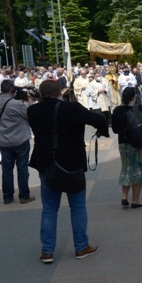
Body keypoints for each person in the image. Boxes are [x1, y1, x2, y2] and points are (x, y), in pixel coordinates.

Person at [27, 80, 109, 264]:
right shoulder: (71, 108)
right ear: (60, 92)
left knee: (49, 209)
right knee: (77, 206)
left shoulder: (32, 110)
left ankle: (47, 251)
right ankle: (81, 246)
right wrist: (102, 132)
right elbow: (99, 119)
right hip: (71, 163)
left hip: (46, 163)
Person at [0, 80, 34, 204]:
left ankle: (7, 196)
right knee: (22, 169)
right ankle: (24, 196)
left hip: (4, 140)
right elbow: (30, 115)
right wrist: (29, 100)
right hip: (20, 140)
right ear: (12, 90)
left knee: (6, 170)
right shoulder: (17, 104)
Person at [111, 87, 142, 209]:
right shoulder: (140, 108)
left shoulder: (117, 110)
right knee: (138, 170)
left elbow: (114, 129)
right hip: (138, 143)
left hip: (123, 144)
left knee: (126, 168)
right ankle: (136, 200)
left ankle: (124, 197)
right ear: (134, 97)